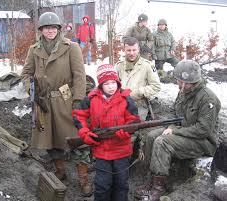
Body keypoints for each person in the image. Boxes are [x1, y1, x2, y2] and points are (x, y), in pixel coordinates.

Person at [20, 11, 88, 192]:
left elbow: (80, 76)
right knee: (49, 140)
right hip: (43, 102)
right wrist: (31, 90)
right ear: (41, 30)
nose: (49, 31)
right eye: (46, 28)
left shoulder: (71, 47)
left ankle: (84, 178)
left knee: (78, 140)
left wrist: (78, 99)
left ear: (58, 29)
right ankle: (60, 171)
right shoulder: (34, 50)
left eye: (53, 27)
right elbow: (26, 74)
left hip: (66, 99)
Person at [134, 60, 221, 201]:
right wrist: (170, 126)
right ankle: (153, 179)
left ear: (192, 82)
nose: (180, 85)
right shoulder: (183, 91)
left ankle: (158, 188)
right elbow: (174, 113)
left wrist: (175, 131)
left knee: (162, 142)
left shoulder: (208, 98)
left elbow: (203, 130)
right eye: (179, 81)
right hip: (184, 132)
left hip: (202, 142)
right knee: (151, 136)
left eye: (184, 82)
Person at [72, 64, 140, 201]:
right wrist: (85, 133)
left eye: (113, 82)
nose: (111, 86)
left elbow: (134, 121)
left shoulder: (126, 99)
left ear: (118, 82)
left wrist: (126, 132)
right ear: (100, 84)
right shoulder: (90, 99)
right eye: (106, 83)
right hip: (101, 152)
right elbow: (79, 116)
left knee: (121, 185)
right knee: (102, 185)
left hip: (122, 151)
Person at [115, 37, 161, 120]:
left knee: (133, 126)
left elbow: (156, 86)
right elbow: (113, 84)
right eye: (129, 50)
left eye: (134, 50)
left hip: (139, 104)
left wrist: (138, 92)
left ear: (138, 49)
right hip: (120, 103)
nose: (132, 53)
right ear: (124, 50)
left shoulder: (147, 65)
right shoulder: (119, 65)